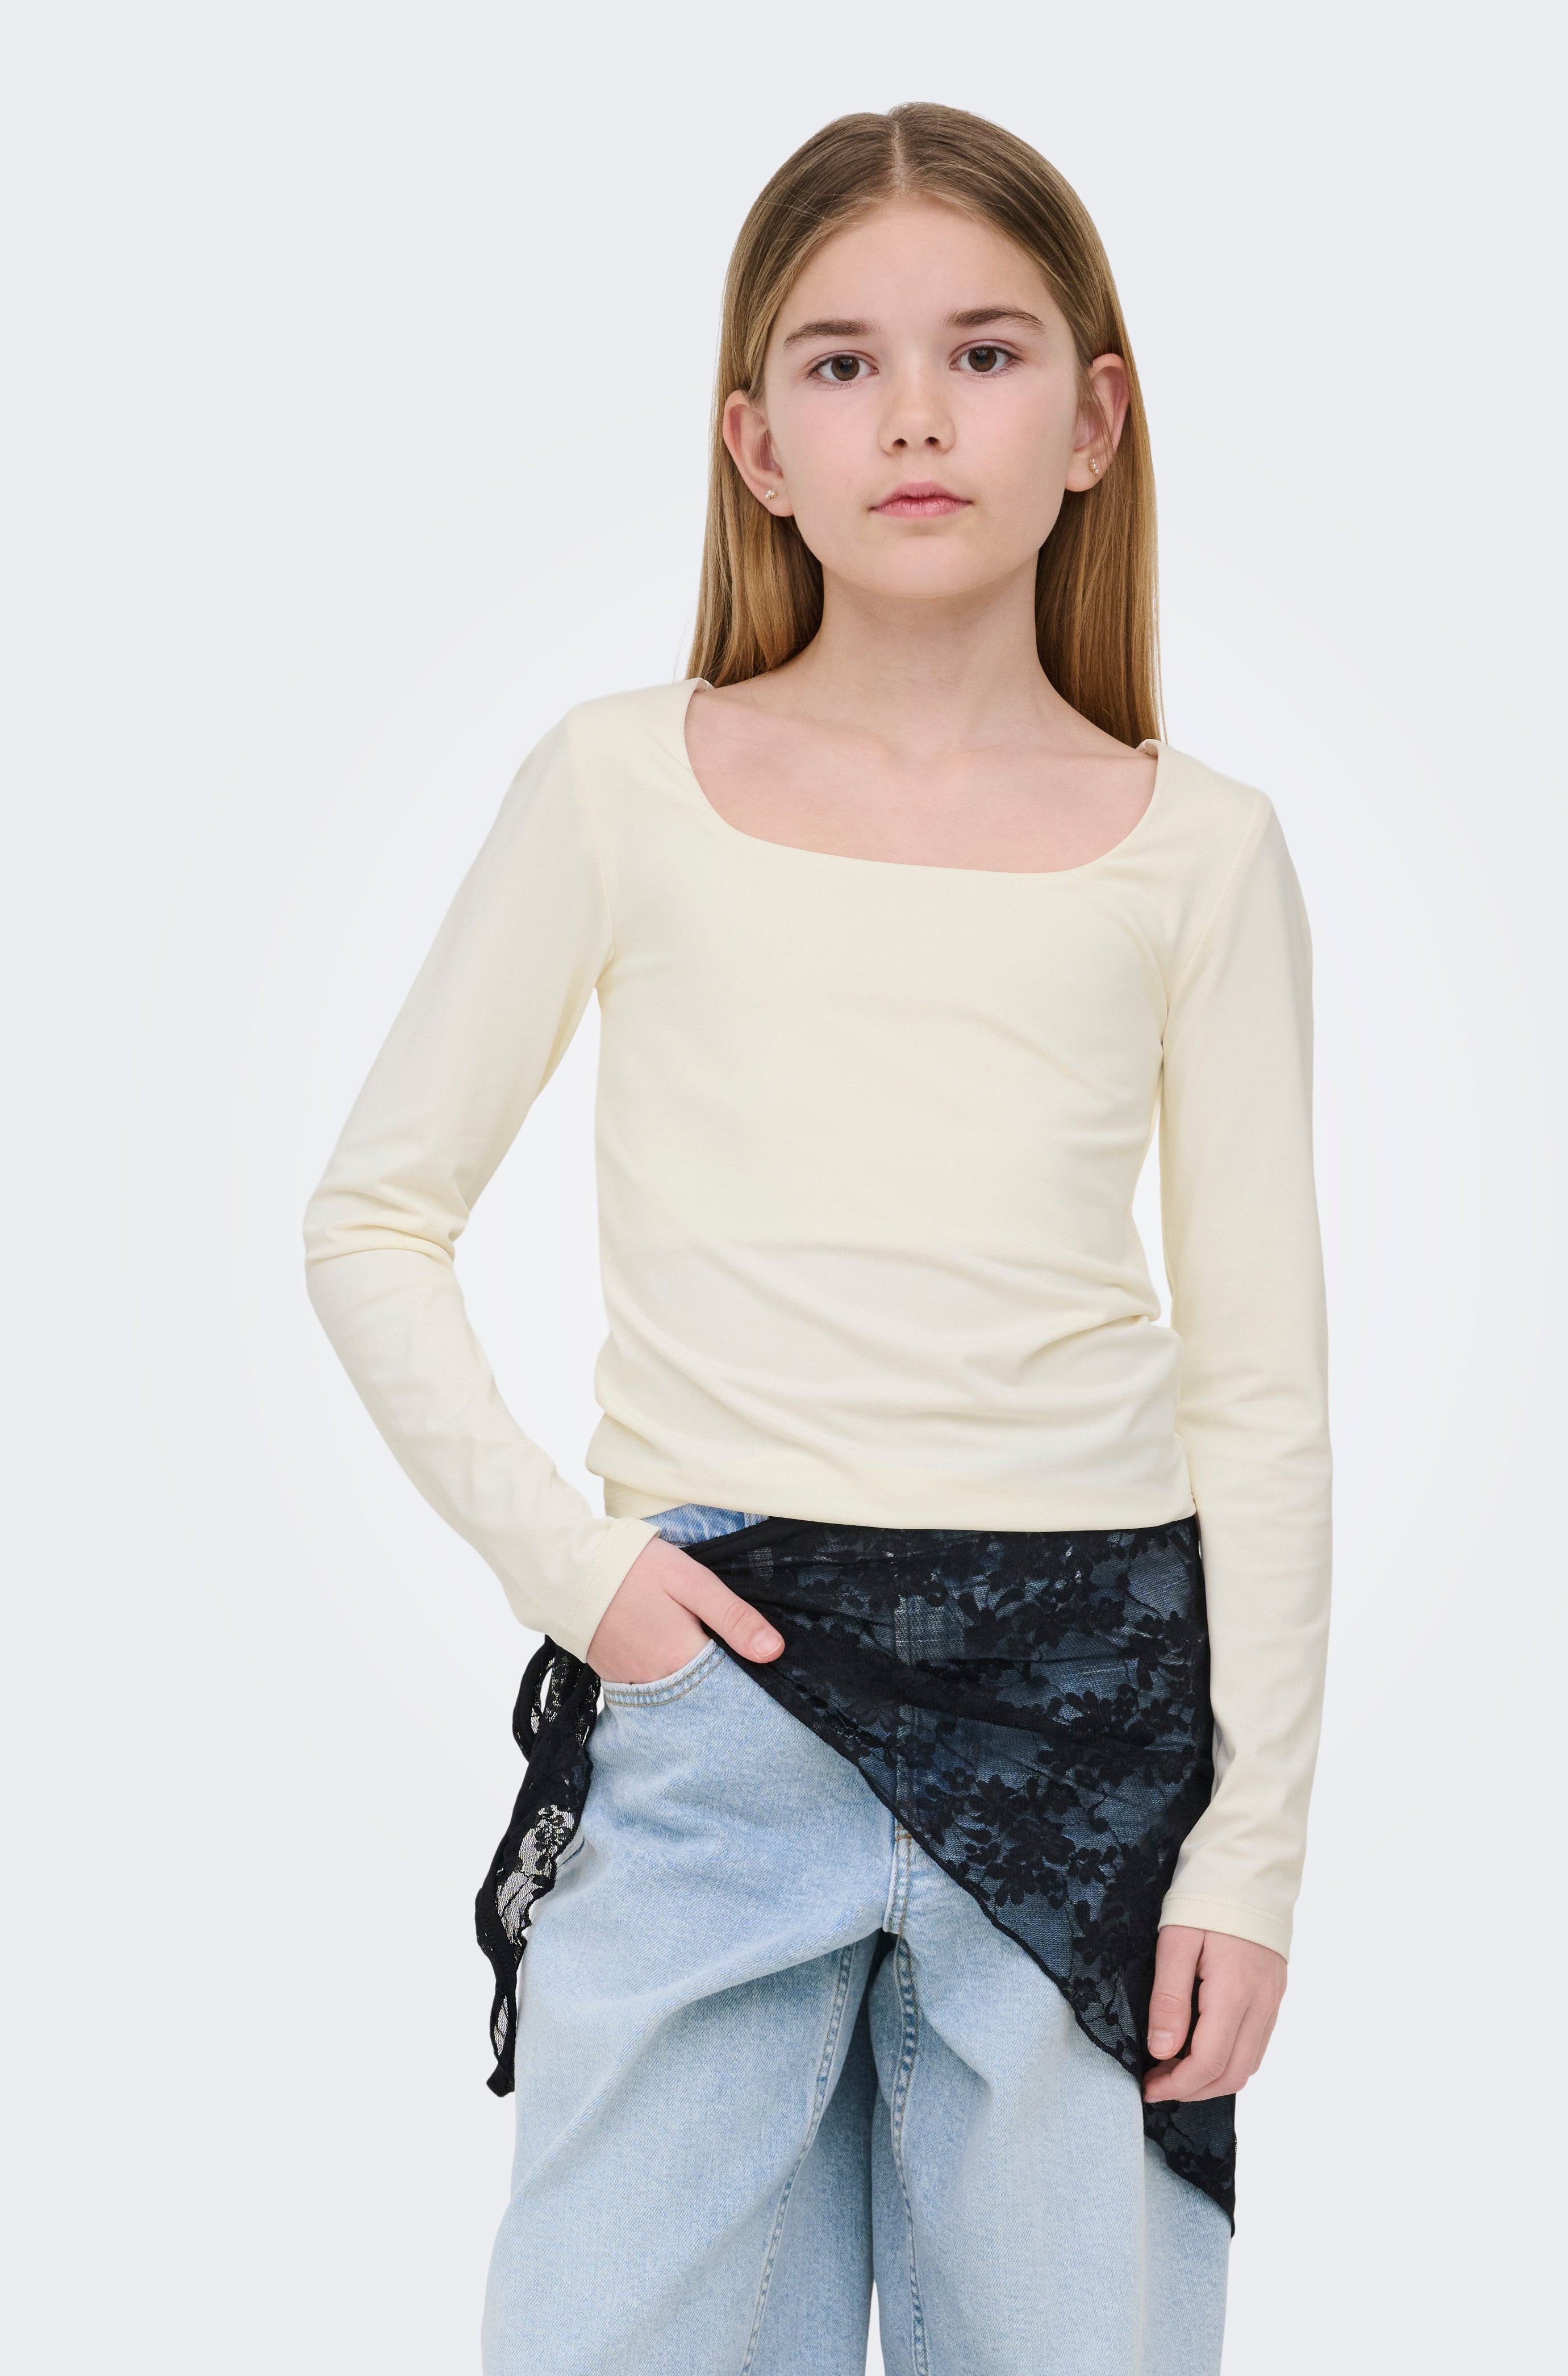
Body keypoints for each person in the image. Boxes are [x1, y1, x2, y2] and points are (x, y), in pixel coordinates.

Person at [304, 100, 1331, 2376]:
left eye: (984, 351)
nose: (917, 416)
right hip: (719, 1691)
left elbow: (1262, 1385)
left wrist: (1250, 1850)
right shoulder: (620, 785)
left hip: (1088, 1719)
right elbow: (373, 1217)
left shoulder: (1200, 853)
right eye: (844, 363)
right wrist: (582, 1575)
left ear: (1093, 419)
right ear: (757, 443)